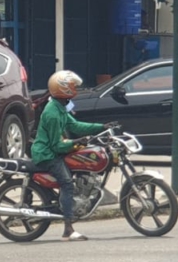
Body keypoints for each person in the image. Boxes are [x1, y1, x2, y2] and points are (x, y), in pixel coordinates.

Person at [31, 70, 119, 241]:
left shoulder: (60, 107)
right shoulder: (52, 113)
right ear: (62, 89)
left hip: (53, 151)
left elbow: (76, 125)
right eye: (72, 86)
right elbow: (57, 145)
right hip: (47, 155)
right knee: (67, 184)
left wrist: (101, 127)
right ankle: (68, 229)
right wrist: (76, 142)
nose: (75, 89)